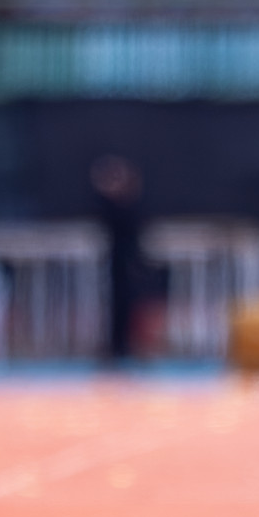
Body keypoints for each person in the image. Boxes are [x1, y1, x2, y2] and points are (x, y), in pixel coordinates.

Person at [91, 155, 145, 363]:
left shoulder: (131, 205)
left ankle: (128, 345)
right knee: (115, 305)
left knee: (132, 305)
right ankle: (116, 346)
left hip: (130, 263)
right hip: (115, 264)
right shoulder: (108, 207)